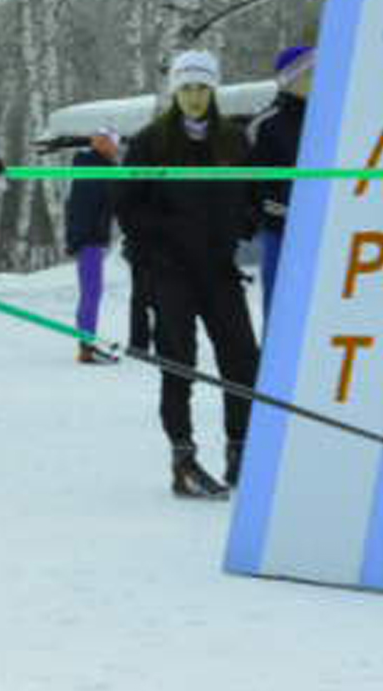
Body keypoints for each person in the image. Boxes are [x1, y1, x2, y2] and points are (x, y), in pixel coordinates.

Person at [115, 49, 259, 500]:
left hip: (218, 268)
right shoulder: (149, 143)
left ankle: (241, 450)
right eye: (187, 88)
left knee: (242, 359)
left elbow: (254, 192)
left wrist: (243, 221)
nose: (195, 97)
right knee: (178, 364)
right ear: (175, 91)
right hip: (170, 270)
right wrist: (170, 232)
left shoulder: (235, 141)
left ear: (213, 91)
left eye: (202, 88)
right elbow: (127, 207)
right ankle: (184, 459)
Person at [248, 44, 312, 323]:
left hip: (325, 235)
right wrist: (282, 209)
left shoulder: (333, 118)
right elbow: (254, 184)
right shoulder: (266, 124)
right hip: (280, 233)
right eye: (309, 73)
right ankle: (274, 363)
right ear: (290, 78)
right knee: (280, 308)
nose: (318, 79)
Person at [62, 130, 122, 363]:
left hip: (90, 237)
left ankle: (86, 341)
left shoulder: (97, 165)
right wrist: (79, 239)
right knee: (92, 291)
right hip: (89, 239)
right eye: (111, 143)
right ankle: (86, 346)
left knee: (91, 291)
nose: (115, 148)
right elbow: (81, 208)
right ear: (102, 144)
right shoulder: (94, 166)